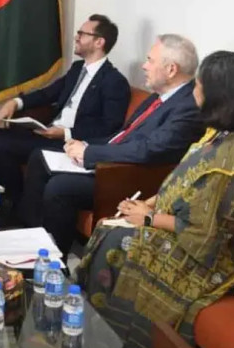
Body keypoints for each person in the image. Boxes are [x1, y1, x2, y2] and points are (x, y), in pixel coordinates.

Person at [78, 50, 234, 348]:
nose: (193, 91)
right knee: (111, 227)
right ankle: (94, 334)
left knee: (120, 241)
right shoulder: (226, 131)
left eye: (198, 85)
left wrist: (149, 219)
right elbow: (186, 178)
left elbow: (205, 235)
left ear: (218, 96)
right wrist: (149, 203)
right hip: (206, 231)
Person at [18, 34, 205, 255]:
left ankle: (53, 259)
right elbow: (123, 135)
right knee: (39, 157)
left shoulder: (187, 106)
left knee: (60, 187)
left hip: (129, 177)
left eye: (150, 60)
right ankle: (30, 239)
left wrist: (90, 153)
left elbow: (149, 150)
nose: (144, 66)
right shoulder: (160, 96)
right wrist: (83, 144)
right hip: (115, 161)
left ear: (171, 69)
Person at [0, 14, 130, 205]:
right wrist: (15, 102)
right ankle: (7, 194)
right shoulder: (77, 68)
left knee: (2, 145)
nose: (76, 37)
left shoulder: (114, 81)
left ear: (99, 42)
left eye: (82, 34)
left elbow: (109, 127)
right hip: (47, 131)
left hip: (69, 142)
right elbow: (48, 94)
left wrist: (65, 133)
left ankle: (13, 202)